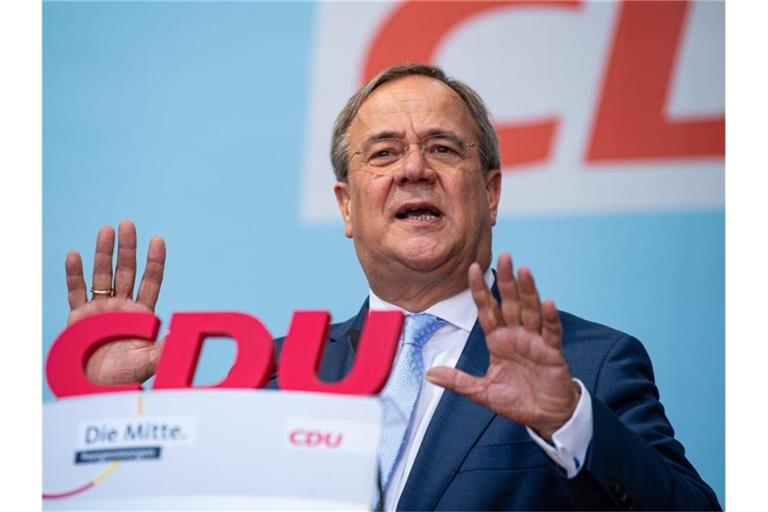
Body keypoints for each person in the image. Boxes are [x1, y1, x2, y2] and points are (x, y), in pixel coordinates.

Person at [63, 63, 720, 510]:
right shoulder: (269, 374)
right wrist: (106, 418)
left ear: (490, 193)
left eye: (442, 148)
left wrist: (569, 423)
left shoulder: (591, 365)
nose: (412, 169)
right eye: (383, 152)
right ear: (347, 207)